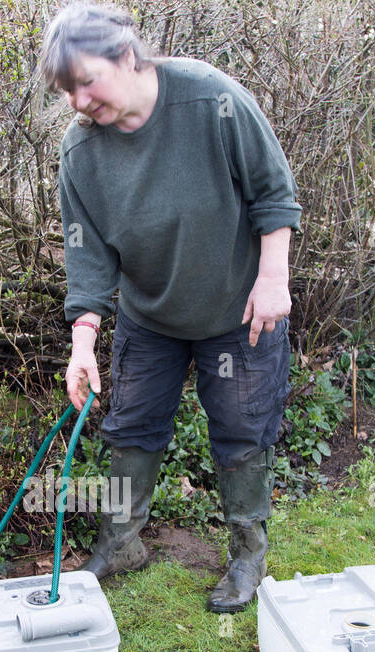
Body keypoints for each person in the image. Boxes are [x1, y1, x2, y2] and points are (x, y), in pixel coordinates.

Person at [39, 2, 302, 612]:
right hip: (149, 318)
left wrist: (273, 277)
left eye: (86, 81)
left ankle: (248, 557)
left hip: (239, 313)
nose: (78, 101)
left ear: (126, 56)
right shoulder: (82, 153)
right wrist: (82, 345)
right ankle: (122, 542)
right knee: (130, 428)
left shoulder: (212, 99)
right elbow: (89, 257)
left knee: (242, 431)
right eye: (66, 89)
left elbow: (272, 190)